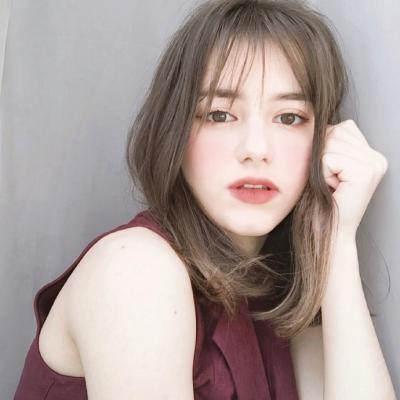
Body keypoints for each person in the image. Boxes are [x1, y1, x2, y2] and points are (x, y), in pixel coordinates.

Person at [14, 0, 395, 399]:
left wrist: (335, 242)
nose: (255, 149)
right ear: (174, 130)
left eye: (289, 117)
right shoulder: (137, 269)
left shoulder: (278, 288)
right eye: (219, 115)